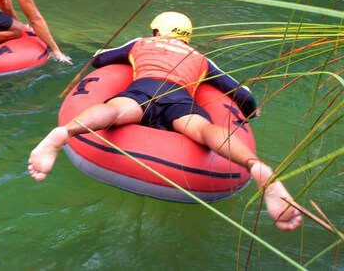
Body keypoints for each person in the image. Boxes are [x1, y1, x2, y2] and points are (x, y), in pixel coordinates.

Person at [27, 12, 303, 232]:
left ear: (157, 31)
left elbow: (101, 58)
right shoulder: (200, 58)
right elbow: (242, 94)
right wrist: (251, 112)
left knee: (113, 112)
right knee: (203, 131)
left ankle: (64, 132)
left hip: (143, 91)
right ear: (187, 37)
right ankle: (258, 167)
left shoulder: (141, 43)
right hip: (180, 100)